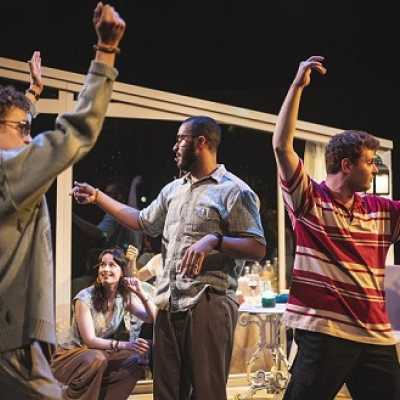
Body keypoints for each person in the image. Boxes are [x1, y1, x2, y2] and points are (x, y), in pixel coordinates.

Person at [71, 115, 266, 400]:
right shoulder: (174, 190)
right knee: (167, 393)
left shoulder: (234, 190)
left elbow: (257, 247)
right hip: (167, 304)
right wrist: (98, 197)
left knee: (206, 391)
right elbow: (141, 220)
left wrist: (215, 240)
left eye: (180, 139)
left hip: (207, 300)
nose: (174, 147)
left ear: (201, 142)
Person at [0, 3, 125, 399]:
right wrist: (106, 52)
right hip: (11, 338)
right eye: (22, 128)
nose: (27, 137)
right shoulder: (8, 172)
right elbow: (76, 133)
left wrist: (32, 96)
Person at [272, 55, 400, 400]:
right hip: (324, 332)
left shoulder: (382, 211)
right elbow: (282, 146)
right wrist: (297, 85)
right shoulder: (310, 199)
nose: (374, 169)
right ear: (346, 165)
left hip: (374, 336)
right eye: (370, 162)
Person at [51, 247, 156, 400]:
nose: (105, 269)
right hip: (69, 357)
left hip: (97, 356)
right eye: (102, 264)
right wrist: (127, 344)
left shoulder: (123, 298)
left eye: (112, 265)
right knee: (97, 358)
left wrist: (140, 292)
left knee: (135, 362)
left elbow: (152, 318)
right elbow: (90, 341)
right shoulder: (85, 298)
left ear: (122, 271)